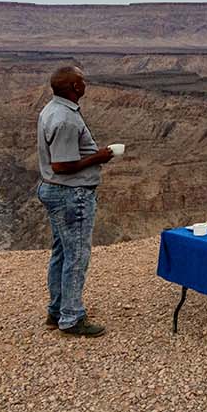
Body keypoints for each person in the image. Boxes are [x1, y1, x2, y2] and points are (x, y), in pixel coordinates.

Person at [36, 64, 120, 338]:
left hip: (57, 191)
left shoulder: (51, 110)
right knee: (77, 255)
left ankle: (57, 309)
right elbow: (62, 165)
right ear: (74, 87)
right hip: (71, 193)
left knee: (62, 251)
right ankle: (71, 318)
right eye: (82, 81)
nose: (85, 84)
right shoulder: (65, 119)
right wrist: (100, 156)